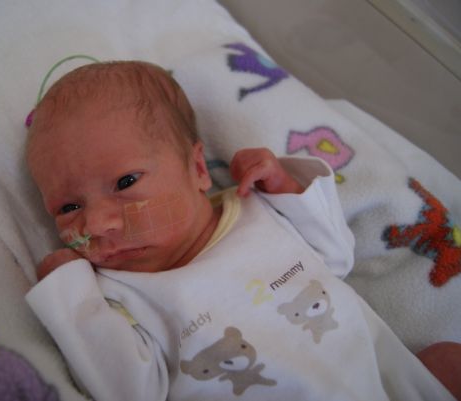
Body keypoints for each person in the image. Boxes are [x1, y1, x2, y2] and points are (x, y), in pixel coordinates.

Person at [25, 61, 458, 401]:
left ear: (198, 168)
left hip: (380, 383)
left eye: (125, 183)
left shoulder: (254, 206)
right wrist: (71, 297)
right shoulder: (116, 294)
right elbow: (132, 391)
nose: (96, 224)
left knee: (447, 361)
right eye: (68, 208)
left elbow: (336, 257)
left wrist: (288, 185)